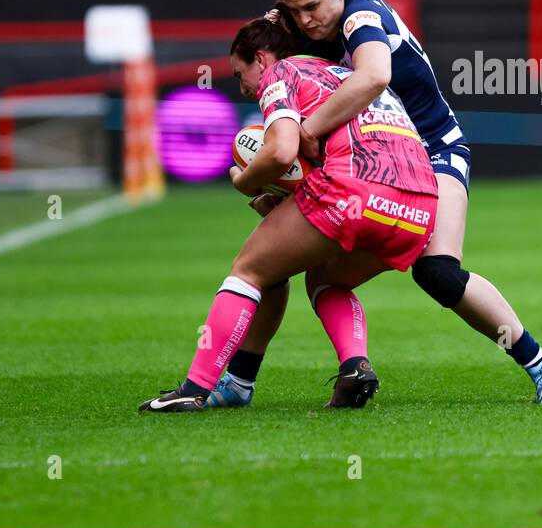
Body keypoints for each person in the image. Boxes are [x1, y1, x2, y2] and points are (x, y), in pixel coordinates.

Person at [204, 0, 542, 405]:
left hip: (436, 150)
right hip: (374, 164)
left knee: (439, 274)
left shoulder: (360, 14)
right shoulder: (306, 26)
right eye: (296, 11)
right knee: (317, 276)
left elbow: (372, 76)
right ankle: (263, 380)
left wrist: (304, 134)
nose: (308, 20)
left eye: (314, 7)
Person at [139, 38, 441, 413]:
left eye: (241, 73)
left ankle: (194, 388)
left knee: (249, 270)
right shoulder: (347, 74)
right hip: (421, 206)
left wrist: (244, 181)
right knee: (322, 280)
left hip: (356, 193)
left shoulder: (281, 71)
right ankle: (353, 366)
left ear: (262, 58)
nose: (244, 87)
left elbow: (282, 152)